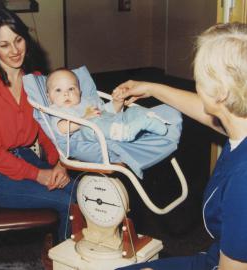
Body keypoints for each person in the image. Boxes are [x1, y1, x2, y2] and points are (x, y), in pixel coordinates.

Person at [114, 22, 247, 270]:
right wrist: (153, 88)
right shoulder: (239, 124)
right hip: (216, 255)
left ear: (221, 93)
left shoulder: (244, 181)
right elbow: (212, 114)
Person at [0, 9, 76, 242]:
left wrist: (60, 164)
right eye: (4, 44)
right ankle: (61, 264)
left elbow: (47, 131)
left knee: (84, 192)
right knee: (69, 202)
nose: (14, 51)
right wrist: (39, 174)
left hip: (29, 160)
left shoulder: (38, 80)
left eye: (18, 40)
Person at [46, 68, 168, 144]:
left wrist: (117, 102)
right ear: (48, 97)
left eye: (71, 88)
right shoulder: (56, 110)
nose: (66, 93)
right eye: (58, 90)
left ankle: (150, 118)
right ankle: (125, 131)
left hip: (110, 121)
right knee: (92, 126)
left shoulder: (87, 101)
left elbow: (107, 111)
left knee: (132, 110)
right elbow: (61, 128)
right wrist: (84, 120)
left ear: (80, 92)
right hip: (89, 132)